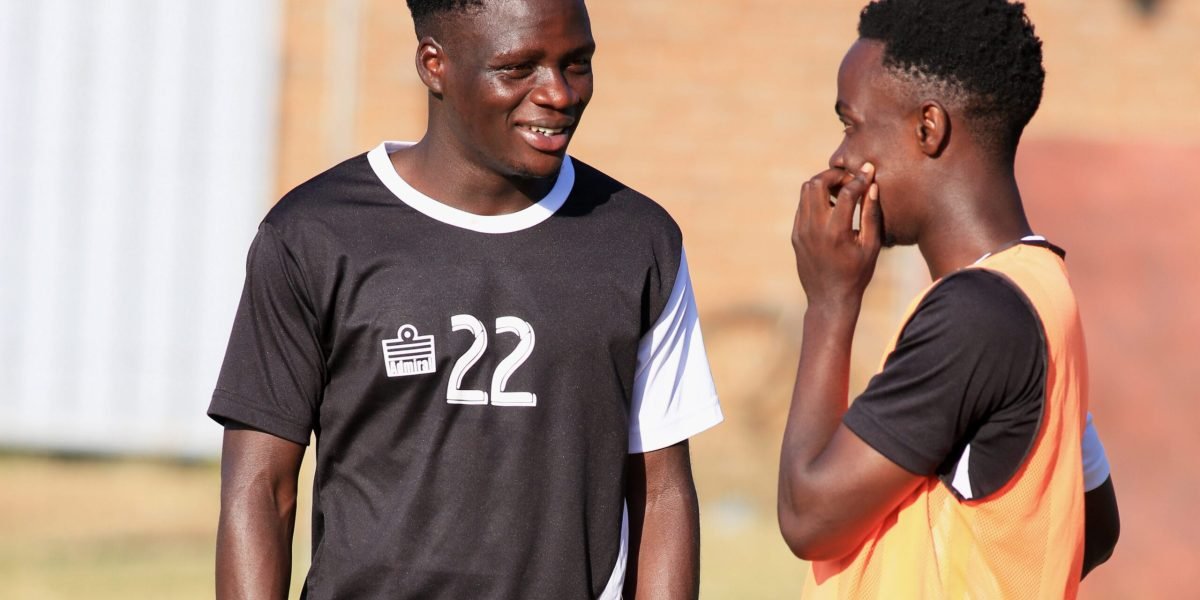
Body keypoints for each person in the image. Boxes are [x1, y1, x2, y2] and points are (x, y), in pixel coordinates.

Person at [209, 0, 723, 598]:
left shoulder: (637, 241)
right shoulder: (314, 235)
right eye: (518, 67)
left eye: (576, 63)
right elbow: (260, 489)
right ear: (435, 65)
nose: (557, 92)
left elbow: (662, 491)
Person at [776, 0, 1119, 597]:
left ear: (927, 129)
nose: (840, 157)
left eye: (851, 124)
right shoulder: (1036, 286)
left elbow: (809, 517)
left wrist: (830, 303)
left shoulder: (975, 315)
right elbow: (1096, 522)